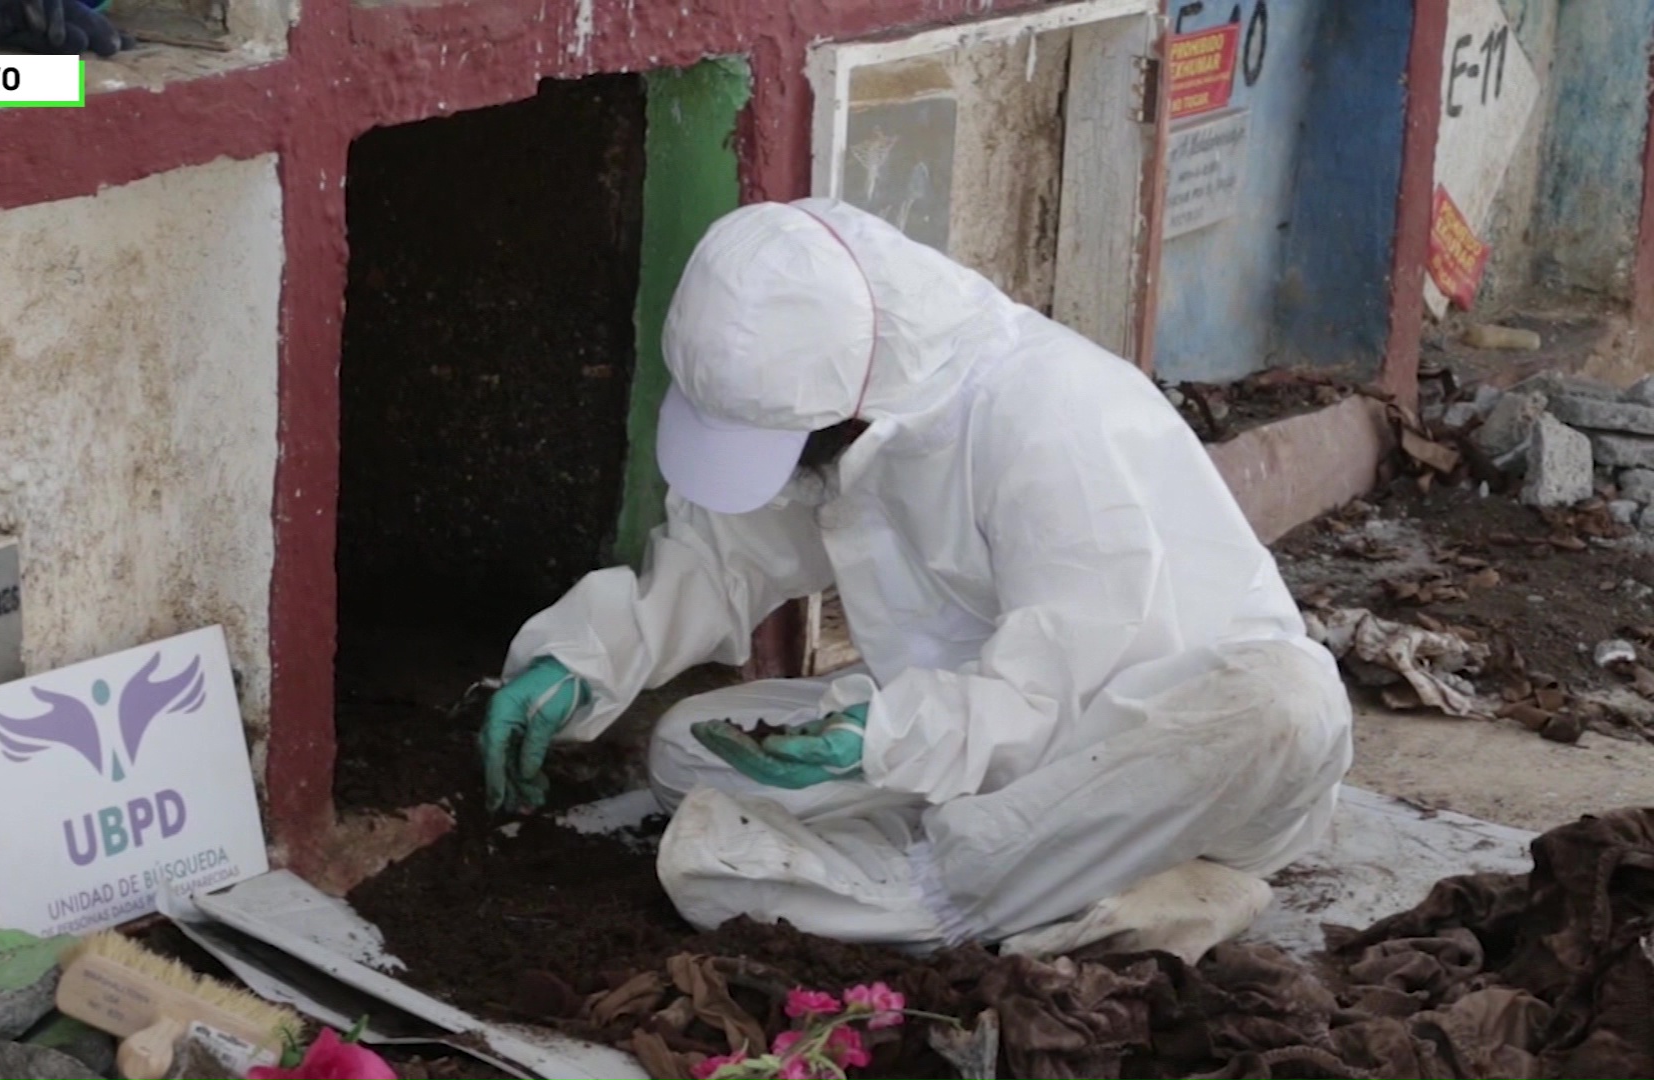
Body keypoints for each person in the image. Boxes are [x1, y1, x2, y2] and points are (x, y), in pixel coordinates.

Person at [477, 198, 1353, 960]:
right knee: (685, 747)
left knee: (1284, 703)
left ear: (848, 403)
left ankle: (946, 901)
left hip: (1168, 749)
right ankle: (1094, 889)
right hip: (986, 745)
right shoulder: (857, 411)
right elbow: (725, 554)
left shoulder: (1049, 416)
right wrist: (586, 658)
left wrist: (891, 734)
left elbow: (1060, 693)